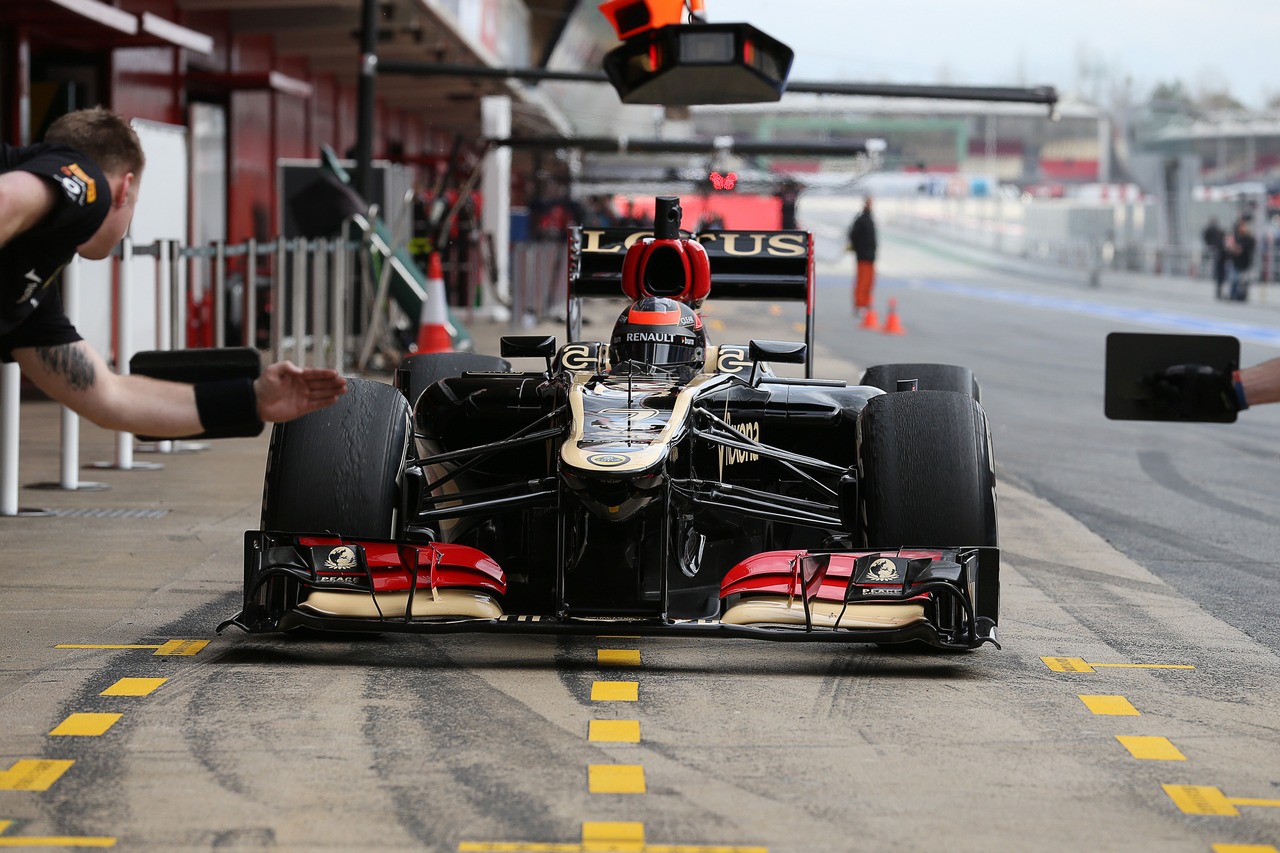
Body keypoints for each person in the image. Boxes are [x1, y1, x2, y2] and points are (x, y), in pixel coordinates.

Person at [0, 106, 346, 439]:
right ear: (125, 188)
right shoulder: (92, 186)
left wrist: (251, 399)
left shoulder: (30, 294)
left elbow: (108, 397)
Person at [848, 196, 877, 316]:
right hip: (863, 255)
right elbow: (852, 235)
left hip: (870, 256)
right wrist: (859, 249)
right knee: (862, 281)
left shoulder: (869, 218)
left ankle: (866, 303)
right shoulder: (861, 219)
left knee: (869, 281)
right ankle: (859, 304)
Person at [1227, 216, 1256, 302]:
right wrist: (1235, 248)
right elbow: (1231, 248)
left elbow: (1248, 247)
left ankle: (1242, 296)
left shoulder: (1249, 238)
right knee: (1235, 279)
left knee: (1244, 281)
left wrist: (1240, 248)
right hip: (1236, 262)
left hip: (1245, 263)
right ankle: (1233, 295)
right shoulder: (1236, 237)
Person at [1202, 216, 1227, 299]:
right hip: (1219, 256)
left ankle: (1218, 290)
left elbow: (1205, 238)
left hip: (1218, 255)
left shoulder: (1212, 231)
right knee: (1219, 273)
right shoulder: (1219, 232)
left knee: (1218, 272)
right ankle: (1218, 290)